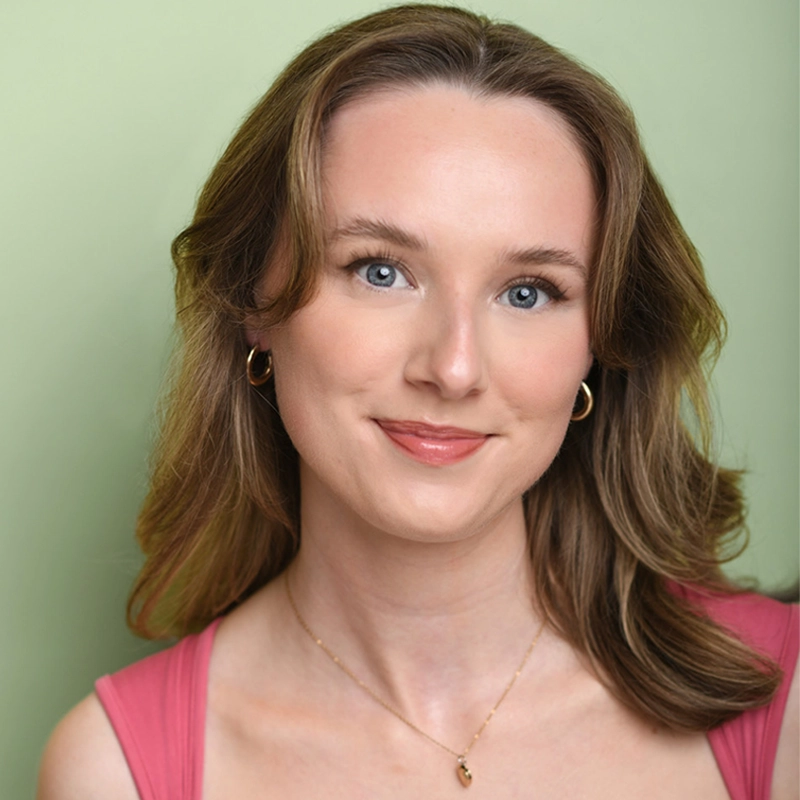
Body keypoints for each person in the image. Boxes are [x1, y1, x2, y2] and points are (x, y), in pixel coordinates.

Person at [37, 5, 798, 799]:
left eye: (529, 291)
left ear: (600, 344)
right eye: (379, 271)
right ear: (252, 302)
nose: (456, 367)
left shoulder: (784, 704)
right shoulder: (113, 774)